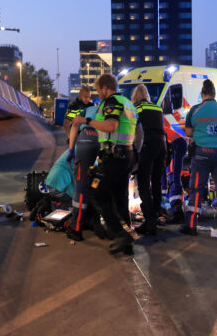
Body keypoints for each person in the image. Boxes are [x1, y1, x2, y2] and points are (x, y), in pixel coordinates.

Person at [72, 74, 138, 254]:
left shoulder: (112, 102)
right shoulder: (128, 103)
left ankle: (118, 233)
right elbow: (136, 131)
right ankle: (127, 239)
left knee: (97, 191)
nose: (98, 93)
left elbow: (111, 126)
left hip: (114, 155)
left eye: (98, 89)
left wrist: (86, 121)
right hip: (126, 154)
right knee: (119, 197)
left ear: (105, 88)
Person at [181, 79, 217, 235]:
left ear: (202, 93)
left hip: (202, 153)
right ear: (214, 93)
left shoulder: (195, 110)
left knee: (197, 188)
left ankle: (191, 225)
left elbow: (189, 133)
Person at [131, 84, 167, 236]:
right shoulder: (157, 107)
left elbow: (135, 130)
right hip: (161, 145)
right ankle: (156, 215)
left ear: (135, 96)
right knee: (157, 181)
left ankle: (150, 221)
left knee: (144, 182)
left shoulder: (136, 108)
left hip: (147, 144)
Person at [66, 104, 100, 242]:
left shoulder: (86, 110)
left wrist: (70, 149)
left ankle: (76, 228)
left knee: (81, 185)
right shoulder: (112, 107)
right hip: (103, 139)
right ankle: (97, 222)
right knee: (97, 182)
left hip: (86, 139)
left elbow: (74, 125)